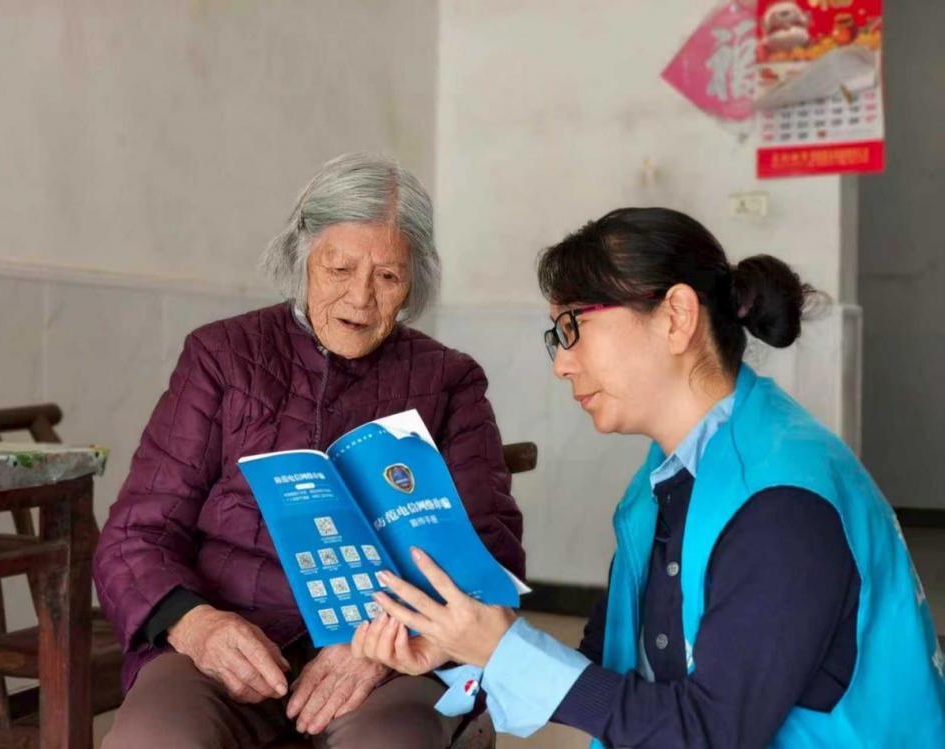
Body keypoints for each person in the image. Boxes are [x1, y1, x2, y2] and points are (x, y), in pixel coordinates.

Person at [352, 207, 945, 748]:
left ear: (676, 318)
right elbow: (602, 667)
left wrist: (504, 649)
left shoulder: (781, 504)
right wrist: (469, 651)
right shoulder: (666, 480)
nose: (562, 364)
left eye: (573, 326)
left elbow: (710, 733)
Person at [95, 152, 525, 748]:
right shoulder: (222, 357)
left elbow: (488, 549)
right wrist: (197, 625)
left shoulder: (448, 381)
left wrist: (381, 646)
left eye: (388, 277)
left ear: (414, 282)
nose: (361, 298)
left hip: (388, 657)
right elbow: (135, 535)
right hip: (226, 644)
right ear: (301, 257)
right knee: (154, 740)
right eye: (339, 268)